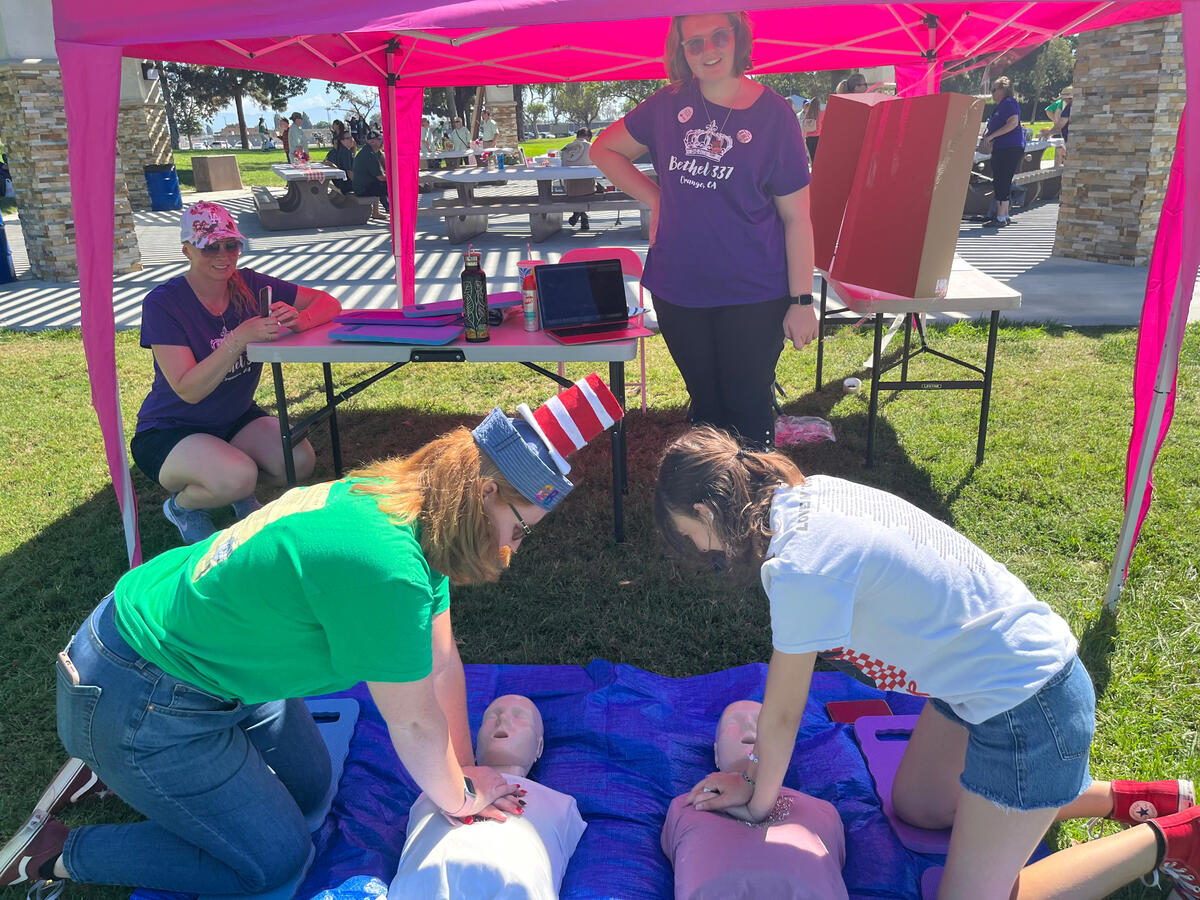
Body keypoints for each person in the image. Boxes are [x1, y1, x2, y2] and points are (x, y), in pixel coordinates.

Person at [0, 374, 624, 897]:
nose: (514, 548)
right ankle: (57, 849)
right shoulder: (385, 567)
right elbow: (411, 723)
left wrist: (467, 771)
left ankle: (122, 770)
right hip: (140, 692)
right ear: (486, 492)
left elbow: (441, 661)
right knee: (274, 861)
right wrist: (460, 798)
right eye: (521, 526)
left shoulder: (410, 507)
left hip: (203, 671)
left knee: (312, 786)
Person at [654, 426, 1200, 900]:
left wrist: (755, 799)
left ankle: (1174, 840)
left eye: (689, 536)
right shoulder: (804, 498)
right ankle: (1131, 799)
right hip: (988, 683)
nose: (702, 551)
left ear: (705, 511)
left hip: (1032, 710)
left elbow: (781, 716)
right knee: (917, 806)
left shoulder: (802, 567)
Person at [591, 12, 819, 449]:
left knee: (748, 405)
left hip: (754, 292)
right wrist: (656, 197)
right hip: (679, 288)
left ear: (739, 37)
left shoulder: (775, 116)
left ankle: (753, 504)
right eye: (693, 43)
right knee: (705, 406)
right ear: (681, 51)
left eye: (718, 36)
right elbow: (606, 150)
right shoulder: (667, 104)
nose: (708, 50)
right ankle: (707, 505)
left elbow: (797, 218)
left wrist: (802, 301)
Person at [121, 201, 341, 544]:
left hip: (234, 418)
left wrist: (302, 319)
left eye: (231, 244)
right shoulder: (163, 303)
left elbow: (327, 302)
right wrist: (239, 338)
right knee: (238, 476)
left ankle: (232, 484)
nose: (224, 255)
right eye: (210, 246)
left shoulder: (248, 284)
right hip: (170, 429)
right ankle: (183, 506)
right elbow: (187, 389)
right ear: (187, 251)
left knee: (298, 461)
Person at [388, 694, 586, 899]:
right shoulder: (430, 790)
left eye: (520, 716)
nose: (503, 720)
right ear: (476, 744)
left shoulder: (562, 805)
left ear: (539, 747)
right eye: (493, 716)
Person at [662, 699, 848, 899]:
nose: (750, 727)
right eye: (735, 721)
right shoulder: (685, 806)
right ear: (716, 754)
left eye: (761, 722)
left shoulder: (824, 811)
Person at [980, 76, 1025, 227]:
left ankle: (1000, 218)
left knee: (1001, 180)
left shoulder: (1009, 103)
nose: (992, 93)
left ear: (1003, 90)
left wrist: (992, 136)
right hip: (1003, 147)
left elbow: (1013, 122)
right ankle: (1004, 215)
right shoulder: (1000, 106)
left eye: (994, 90)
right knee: (1002, 180)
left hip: (1009, 147)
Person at [561, 127, 597, 231]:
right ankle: (580, 213)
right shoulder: (591, 147)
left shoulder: (566, 148)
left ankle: (580, 215)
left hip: (569, 190)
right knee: (600, 189)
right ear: (588, 137)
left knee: (578, 190)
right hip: (588, 189)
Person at [353, 131, 389, 218]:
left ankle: (379, 211)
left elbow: (385, 166)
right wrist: (397, 178)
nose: (382, 141)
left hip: (364, 185)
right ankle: (398, 209)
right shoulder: (369, 154)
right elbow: (380, 177)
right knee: (394, 185)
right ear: (372, 142)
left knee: (382, 184)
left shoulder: (373, 151)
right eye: (380, 139)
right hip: (362, 189)